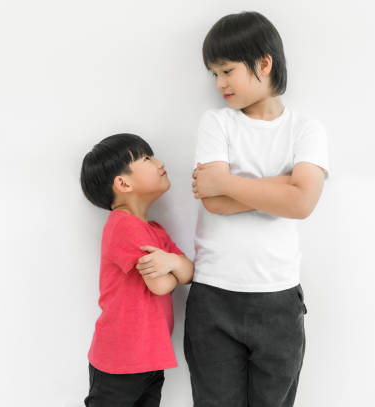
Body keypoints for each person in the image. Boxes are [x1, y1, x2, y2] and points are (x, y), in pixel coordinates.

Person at [185, 11, 330, 407]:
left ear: (264, 63)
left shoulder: (305, 129)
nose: (220, 84)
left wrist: (229, 183)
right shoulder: (216, 123)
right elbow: (211, 200)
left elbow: (301, 203)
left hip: (278, 300)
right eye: (214, 74)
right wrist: (282, 185)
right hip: (214, 296)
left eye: (227, 71)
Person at [80, 133, 194, 407]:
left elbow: (188, 272)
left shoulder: (154, 231)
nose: (159, 162)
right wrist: (173, 265)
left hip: (148, 360)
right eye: (147, 158)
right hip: (120, 360)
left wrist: (174, 263)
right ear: (123, 183)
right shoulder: (123, 225)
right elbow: (161, 284)